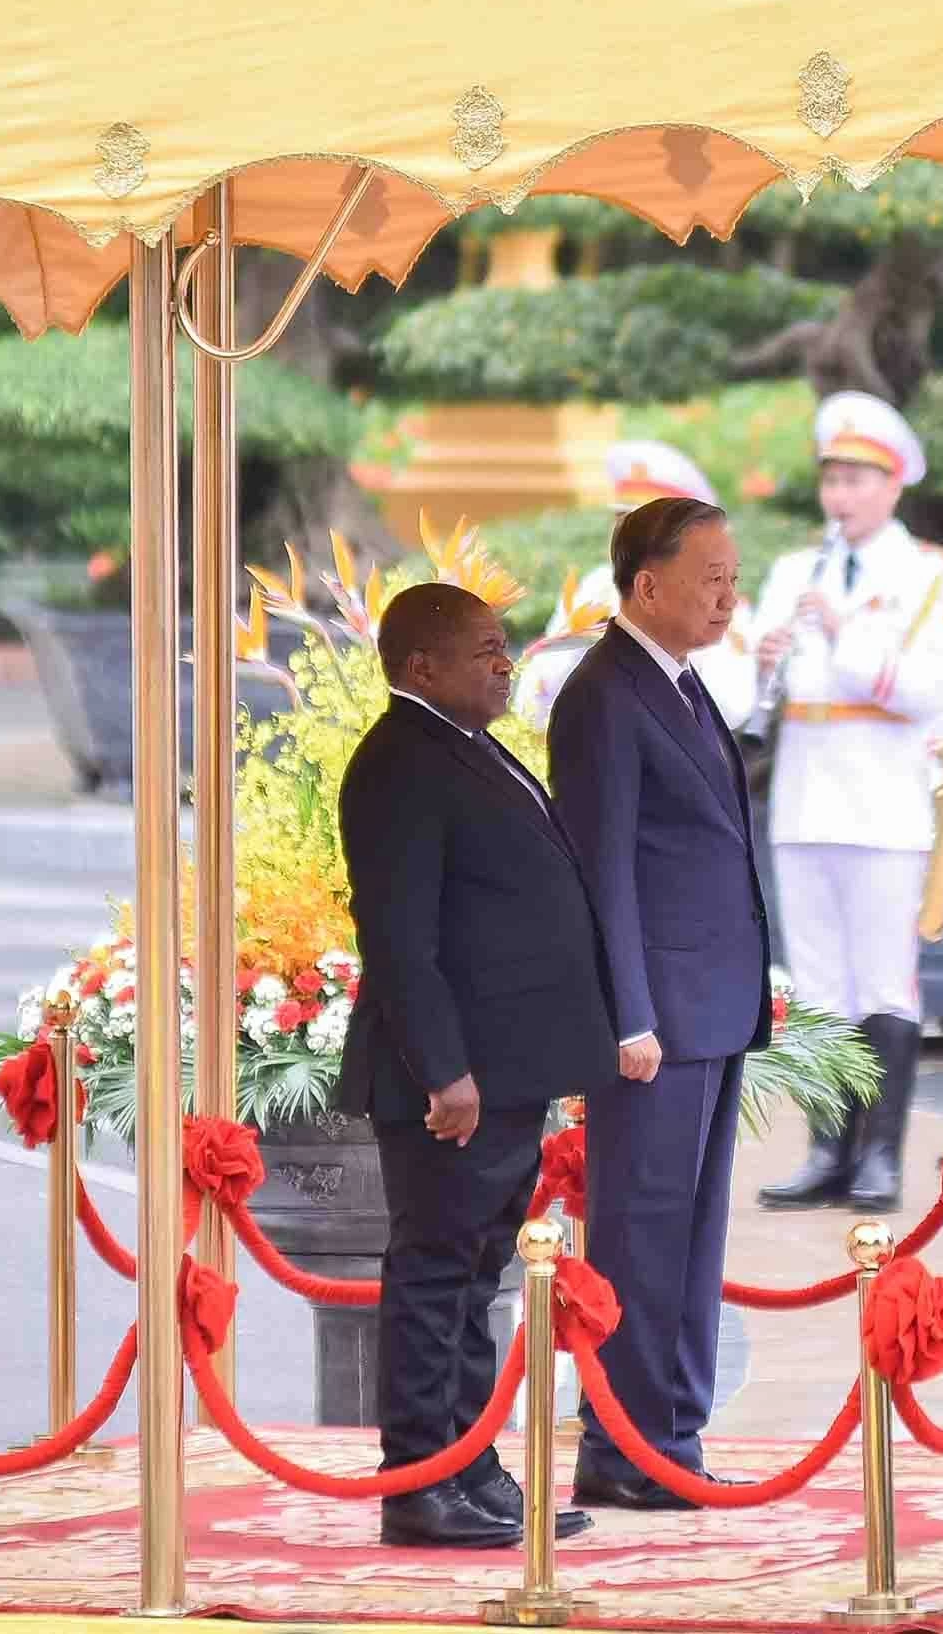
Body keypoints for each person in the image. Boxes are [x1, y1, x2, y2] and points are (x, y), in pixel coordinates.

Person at [338, 584, 619, 1549]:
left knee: (474, 1272)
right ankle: (418, 1482)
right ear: (422, 667)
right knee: (434, 1271)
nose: (506, 665)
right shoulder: (400, 763)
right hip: (449, 1083)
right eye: (486, 651)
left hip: (503, 1070)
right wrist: (443, 1071)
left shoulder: (462, 746)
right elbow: (400, 938)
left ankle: (469, 1464)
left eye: (503, 650)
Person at [547, 496, 775, 1511]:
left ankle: (672, 1433)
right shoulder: (605, 693)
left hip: (711, 1005)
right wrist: (625, 1012)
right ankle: (625, 1443)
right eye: (711, 577)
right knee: (640, 1230)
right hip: (657, 1019)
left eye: (733, 576)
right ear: (648, 584)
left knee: (690, 1234)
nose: (729, 595)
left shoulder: (680, 683)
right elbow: (605, 871)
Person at [748, 393, 943, 1216]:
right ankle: (826, 1146)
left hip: (883, 801)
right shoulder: (790, 572)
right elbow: (758, 695)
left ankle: (881, 1155)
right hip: (805, 797)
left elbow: (923, 689)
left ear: (894, 485)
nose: (840, 496)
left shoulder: (929, 577)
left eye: (858, 479)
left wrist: (840, 634)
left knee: (883, 985)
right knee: (818, 986)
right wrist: (766, 661)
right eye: (832, 479)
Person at [512, 442, 758, 735]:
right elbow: (530, 707)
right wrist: (578, 646)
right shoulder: (597, 588)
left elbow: (735, 708)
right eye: (622, 521)